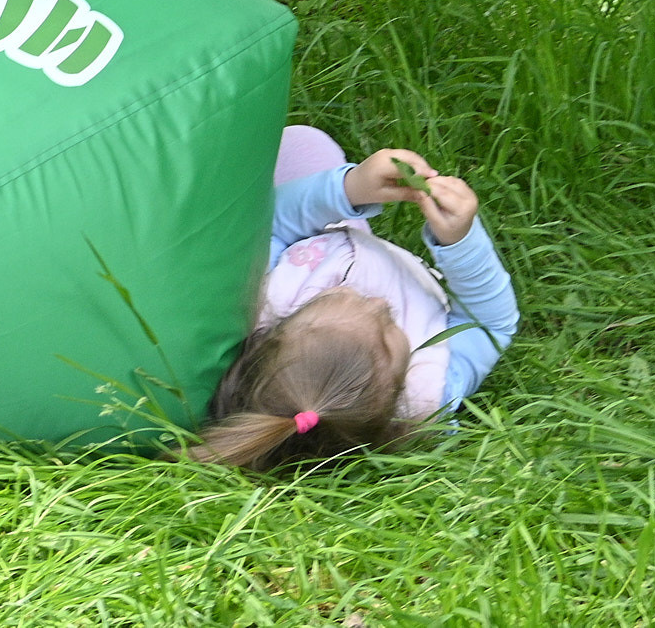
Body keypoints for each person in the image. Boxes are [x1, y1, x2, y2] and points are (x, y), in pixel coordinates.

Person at [189, 126, 519, 469]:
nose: (377, 301)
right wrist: (460, 243)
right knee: (306, 146)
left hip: (325, 242)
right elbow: (491, 323)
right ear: (395, 394)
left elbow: (270, 223)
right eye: (391, 330)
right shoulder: (429, 393)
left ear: (271, 333)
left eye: (331, 296)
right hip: (366, 252)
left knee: (302, 144)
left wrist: (351, 188)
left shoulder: (259, 301)